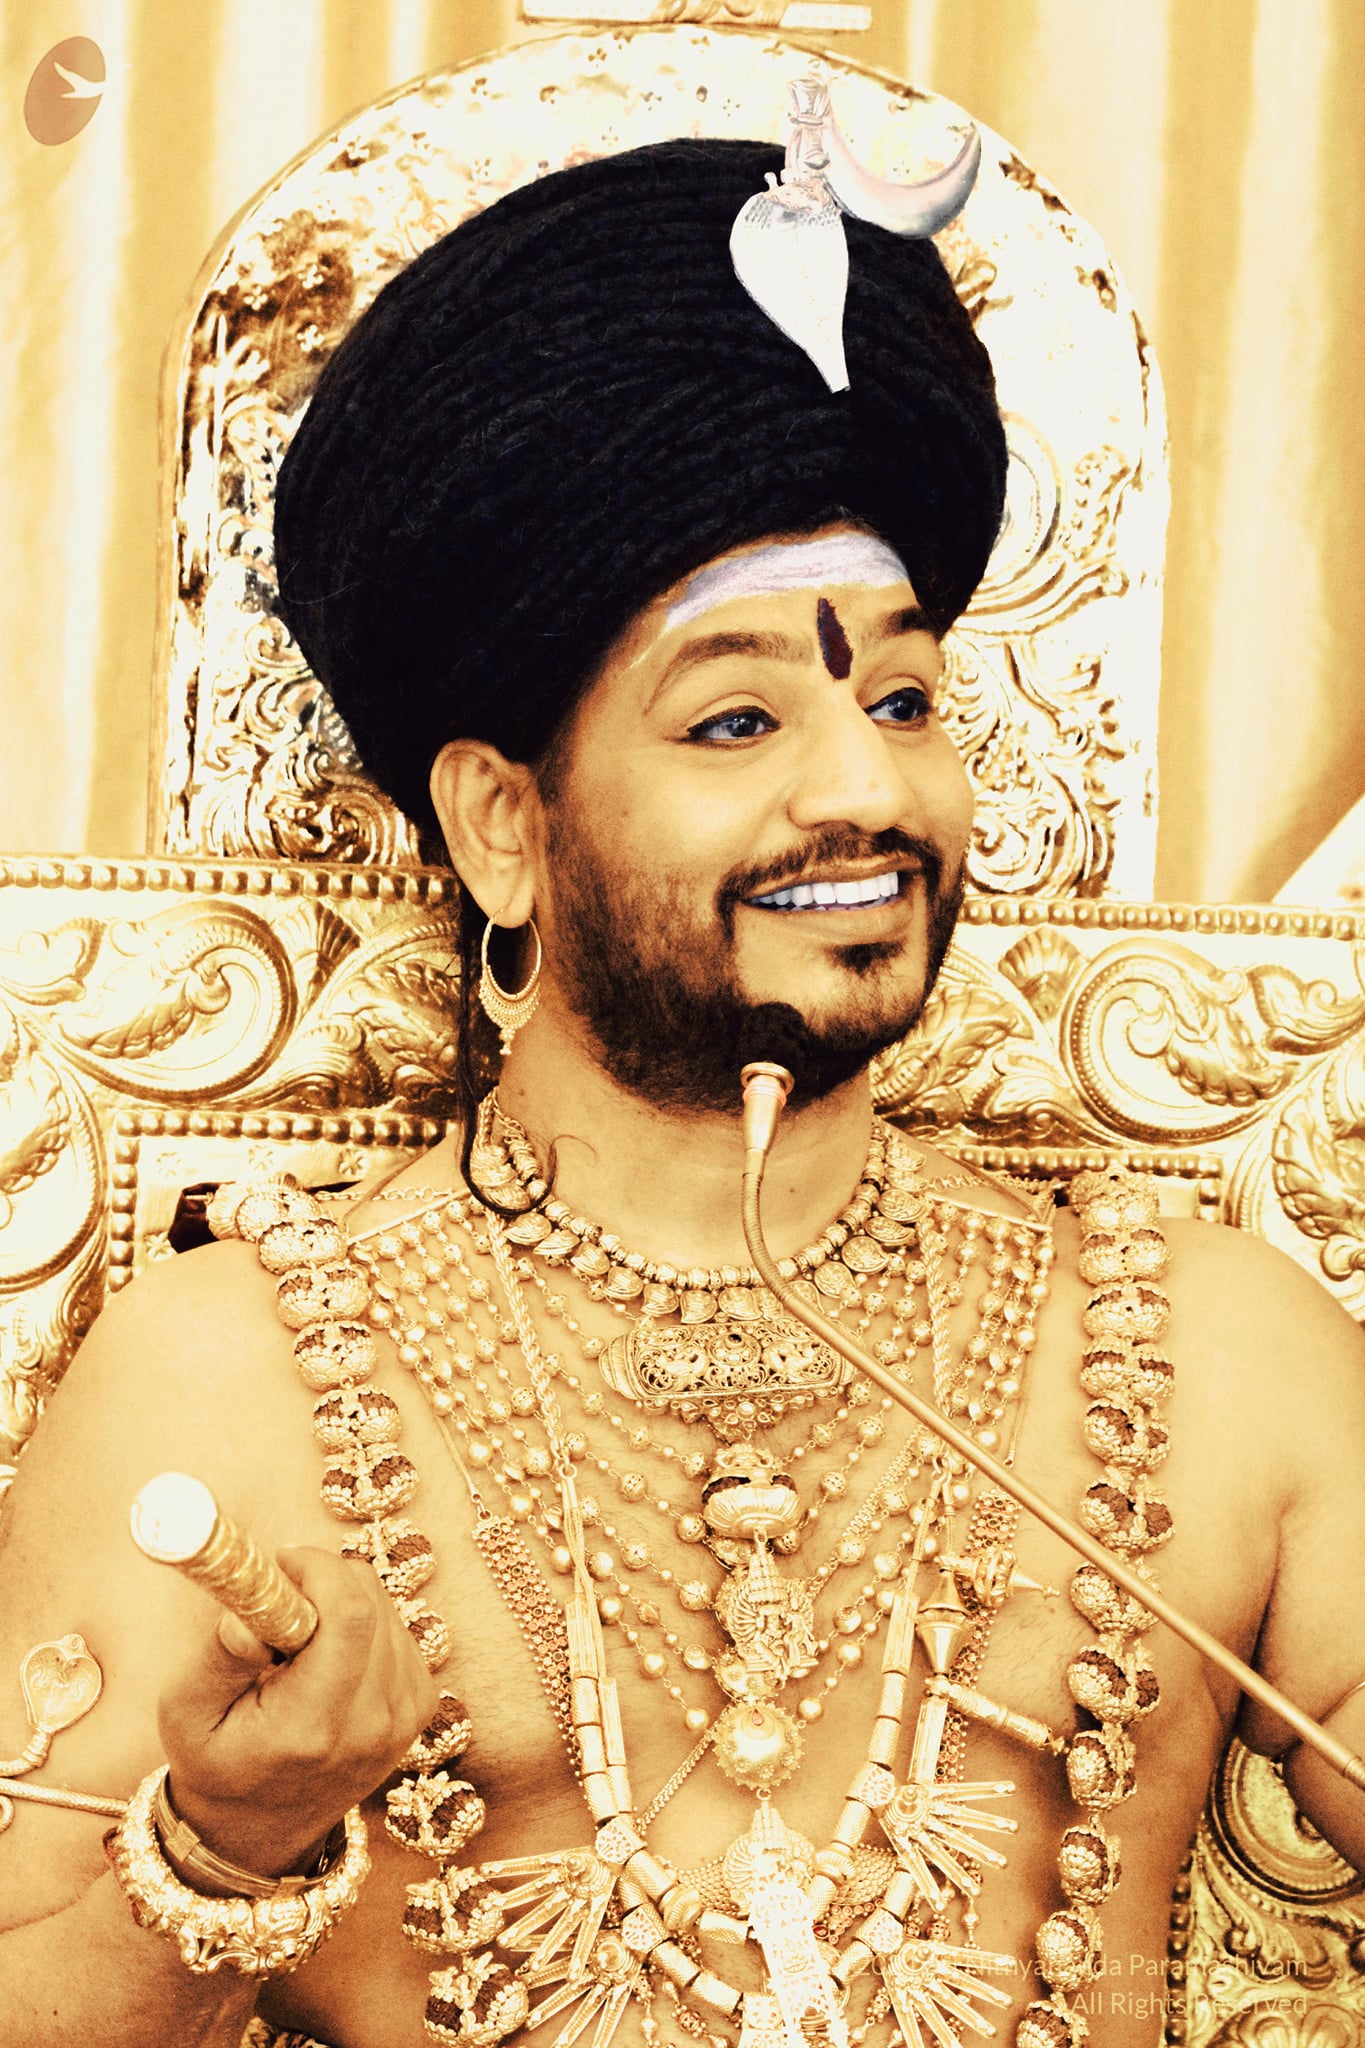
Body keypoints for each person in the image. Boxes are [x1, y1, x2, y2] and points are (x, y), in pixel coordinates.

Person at [0, 115, 1362, 2048]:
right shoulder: (227, 1393)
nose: (866, 788)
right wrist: (224, 1849)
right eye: (736, 720)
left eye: (902, 699)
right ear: (501, 825)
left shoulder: (1215, 1354)